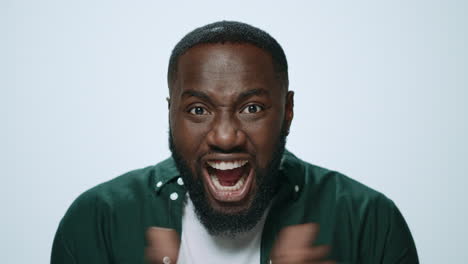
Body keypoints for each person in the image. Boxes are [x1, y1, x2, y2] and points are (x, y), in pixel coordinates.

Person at [51, 21, 419, 264]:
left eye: (252, 107)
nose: (225, 136)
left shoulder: (369, 221)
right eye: (198, 109)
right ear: (170, 113)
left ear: (288, 110)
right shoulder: (98, 219)